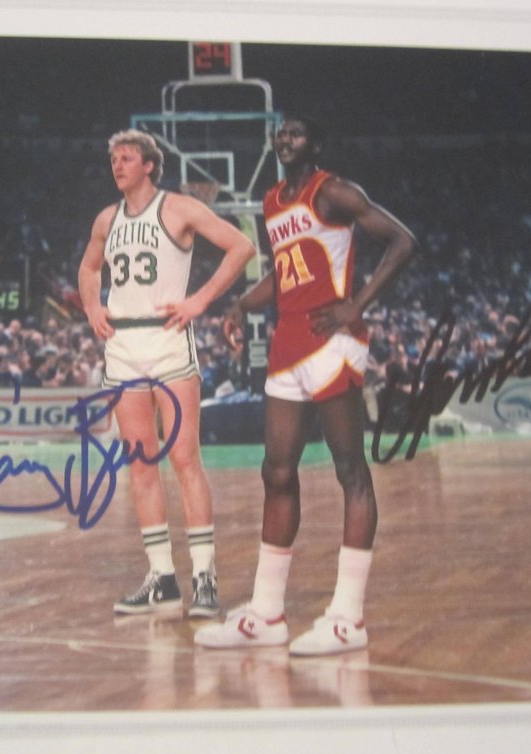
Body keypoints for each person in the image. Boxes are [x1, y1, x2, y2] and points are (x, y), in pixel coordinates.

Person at [195, 115, 416, 655]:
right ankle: (267, 614)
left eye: (296, 133)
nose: (285, 139)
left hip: (332, 339)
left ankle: (348, 618)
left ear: (315, 144)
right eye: (280, 133)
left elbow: (403, 242)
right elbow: (284, 271)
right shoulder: (272, 200)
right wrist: (242, 303)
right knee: (275, 472)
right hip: (288, 341)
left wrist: (356, 305)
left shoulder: (333, 191)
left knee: (350, 470)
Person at [78, 129, 256, 617]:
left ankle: (204, 576)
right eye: (114, 158)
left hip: (168, 339)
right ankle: (161, 578)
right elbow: (89, 269)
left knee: (184, 458)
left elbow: (241, 246)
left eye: (127, 158)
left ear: (149, 165)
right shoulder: (106, 219)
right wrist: (92, 305)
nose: (117, 165)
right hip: (123, 344)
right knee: (140, 464)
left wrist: (200, 300)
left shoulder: (178, 208)